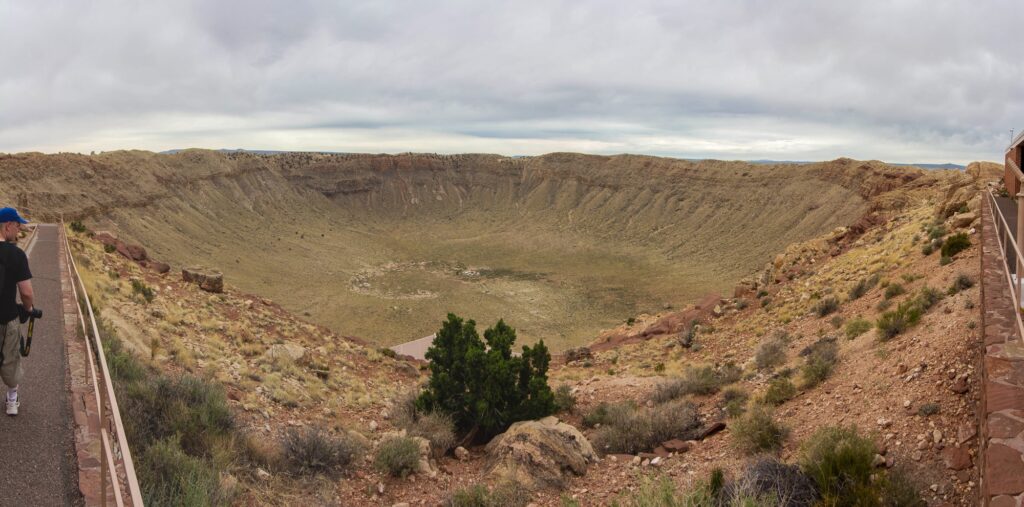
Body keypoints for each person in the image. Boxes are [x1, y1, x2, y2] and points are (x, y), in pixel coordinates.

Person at [0, 207, 33, 416]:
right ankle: (12, 400)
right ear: (8, 226)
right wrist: (28, 310)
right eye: (18, 225)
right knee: (10, 359)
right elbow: (26, 292)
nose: (19, 230)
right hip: (7, 318)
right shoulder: (16, 255)